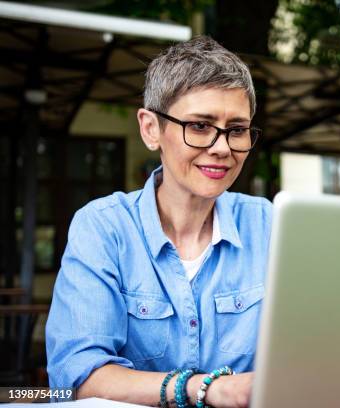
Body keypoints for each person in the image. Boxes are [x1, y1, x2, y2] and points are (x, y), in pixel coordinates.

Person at [46, 36, 271, 408]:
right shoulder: (104, 228)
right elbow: (77, 377)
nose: (222, 147)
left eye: (237, 129)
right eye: (199, 126)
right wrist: (206, 389)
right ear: (151, 129)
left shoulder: (270, 225)